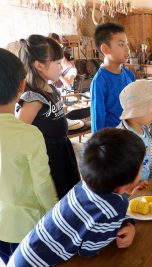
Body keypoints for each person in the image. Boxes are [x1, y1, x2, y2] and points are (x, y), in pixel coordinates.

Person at [8, 128, 145, 266]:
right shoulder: (114, 208)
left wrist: (126, 222)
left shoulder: (85, 185)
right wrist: (119, 227)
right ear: (123, 186)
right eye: (141, 167)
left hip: (23, 254)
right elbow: (88, 251)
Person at [0, 48, 58, 265]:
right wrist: (55, 215)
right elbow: (42, 184)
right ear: (22, 85)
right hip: (26, 227)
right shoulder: (29, 134)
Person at [16, 34, 81, 199]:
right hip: (48, 158)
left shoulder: (50, 88)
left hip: (62, 150)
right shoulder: (33, 98)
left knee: (69, 192)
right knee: (57, 197)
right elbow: (19, 134)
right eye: (58, 63)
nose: (61, 67)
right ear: (39, 65)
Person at [91, 22, 136, 133]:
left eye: (126, 44)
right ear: (105, 49)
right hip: (112, 138)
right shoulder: (99, 81)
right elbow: (97, 117)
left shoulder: (130, 75)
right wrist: (99, 145)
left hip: (130, 133)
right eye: (121, 44)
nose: (127, 49)